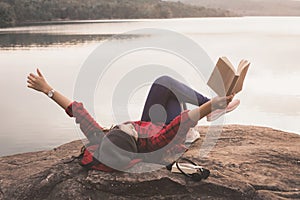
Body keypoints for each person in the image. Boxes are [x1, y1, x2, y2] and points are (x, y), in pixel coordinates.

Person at [27, 69, 238, 171]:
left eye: (121, 128)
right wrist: (212, 105)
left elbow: (78, 112)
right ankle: (210, 108)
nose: (130, 126)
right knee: (166, 83)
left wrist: (47, 90)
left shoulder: (103, 139)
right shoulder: (156, 140)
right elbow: (181, 122)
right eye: (131, 130)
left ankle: (209, 106)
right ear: (135, 140)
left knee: (164, 83)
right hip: (171, 133)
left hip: (152, 126)